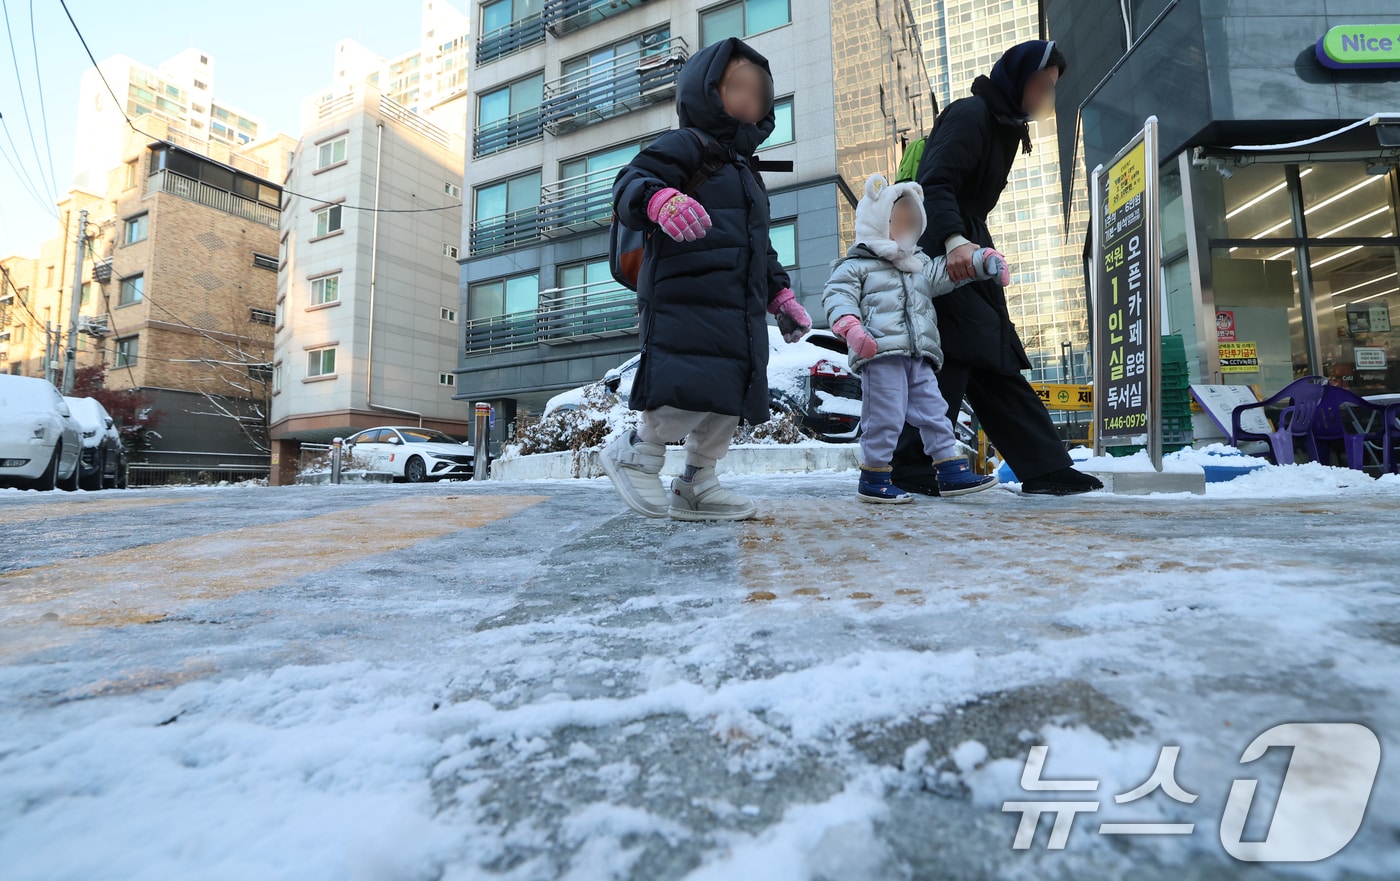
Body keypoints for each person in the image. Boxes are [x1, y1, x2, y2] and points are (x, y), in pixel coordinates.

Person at [602, 38, 811, 522]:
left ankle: (698, 481)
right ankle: (637, 452)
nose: (747, 98)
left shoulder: (748, 175)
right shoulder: (686, 144)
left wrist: (780, 295)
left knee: (727, 396)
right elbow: (630, 181)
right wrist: (658, 200)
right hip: (685, 297)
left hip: (738, 307)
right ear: (705, 90)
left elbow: (760, 245)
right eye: (735, 85)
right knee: (689, 387)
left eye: (758, 92)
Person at [894, 40, 1104, 497]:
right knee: (952, 351)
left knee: (987, 354)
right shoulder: (971, 113)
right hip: (940, 243)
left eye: (1051, 88)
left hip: (966, 240)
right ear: (1016, 77)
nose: (1044, 96)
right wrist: (954, 243)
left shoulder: (1004, 123)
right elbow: (934, 182)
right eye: (1040, 84)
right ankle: (911, 466)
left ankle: (1043, 465)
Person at [824, 174, 1005, 503]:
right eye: (898, 221)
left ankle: (949, 470)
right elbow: (837, 298)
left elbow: (948, 271)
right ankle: (874, 475)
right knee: (885, 415)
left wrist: (983, 261)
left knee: (936, 411)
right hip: (880, 354)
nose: (906, 228)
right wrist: (852, 328)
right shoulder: (856, 267)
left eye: (912, 222)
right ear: (877, 222)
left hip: (919, 355)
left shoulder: (917, 265)